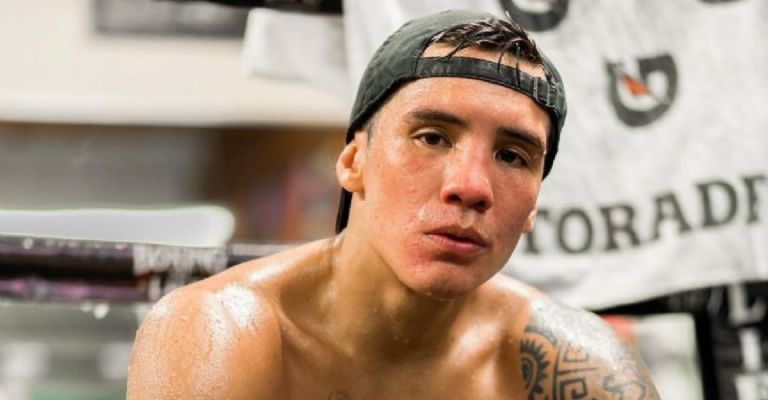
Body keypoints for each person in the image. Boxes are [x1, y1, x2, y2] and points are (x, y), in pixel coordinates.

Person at [127, 10, 661, 399]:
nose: (471, 186)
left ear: (534, 205)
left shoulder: (581, 367)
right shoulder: (222, 330)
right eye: (432, 137)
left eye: (511, 156)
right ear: (353, 162)